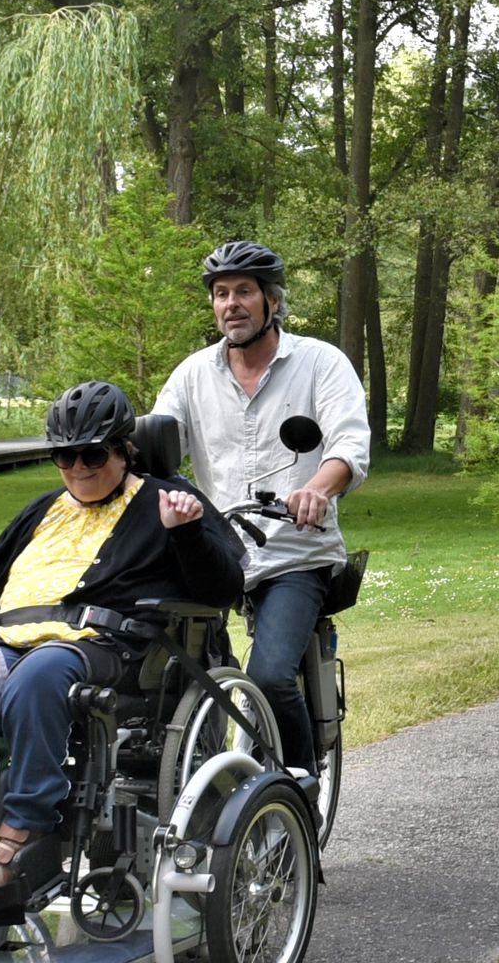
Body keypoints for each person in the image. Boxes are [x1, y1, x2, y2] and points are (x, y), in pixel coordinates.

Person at [0, 382, 246, 934]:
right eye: (63, 455)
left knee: (41, 675)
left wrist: (187, 532)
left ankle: (22, 837)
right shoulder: (44, 509)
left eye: (92, 454)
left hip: (102, 649)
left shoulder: (166, 501)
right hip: (3, 641)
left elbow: (223, 585)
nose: (77, 467)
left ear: (124, 449)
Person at [150, 239, 371, 782]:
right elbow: (158, 444)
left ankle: (297, 785)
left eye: (244, 291)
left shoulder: (321, 364)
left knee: (271, 678)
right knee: (159, 671)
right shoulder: (192, 375)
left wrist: (318, 487)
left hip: (294, 553)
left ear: (273, 301)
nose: (231, 304)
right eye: (221, 293)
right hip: (213, 552)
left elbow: (349, 446)